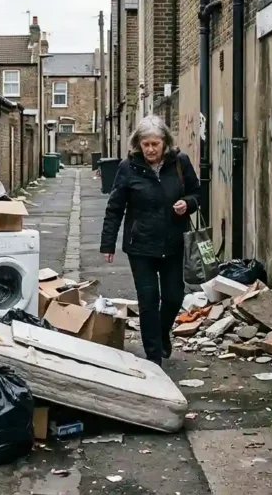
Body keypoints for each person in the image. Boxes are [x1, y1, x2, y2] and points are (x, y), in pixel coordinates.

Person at [100, 115, 200, 366]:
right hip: (141, 246)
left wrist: (187, 204)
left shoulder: (180, 163)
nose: (150, 149)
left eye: (155, 144)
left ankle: (161, 333)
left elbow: (198, 193)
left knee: (174, 297)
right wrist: (108, 244)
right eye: (146, 144)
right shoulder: (128, 167)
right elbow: (115, 207)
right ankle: (154, 357)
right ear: (138, 144)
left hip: (173, 244)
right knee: (148, 301)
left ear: (165, 143)